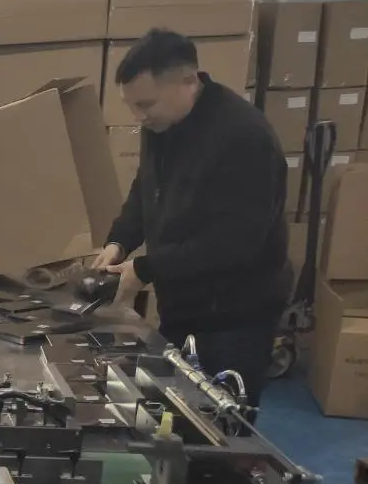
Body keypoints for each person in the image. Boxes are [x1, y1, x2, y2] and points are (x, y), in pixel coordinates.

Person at [94, 29, 288, 405]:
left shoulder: (244, 138)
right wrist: (119, 241)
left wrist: (146, 268)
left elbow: (235, 243)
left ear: (187, 80)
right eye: (132, 106)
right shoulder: (163, 124)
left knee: (222, 421)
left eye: (146, 104)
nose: (139, 116)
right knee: (175, 412)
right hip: (182, 307)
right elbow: (145, 188)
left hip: (234, 318)